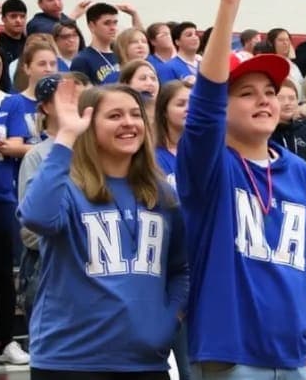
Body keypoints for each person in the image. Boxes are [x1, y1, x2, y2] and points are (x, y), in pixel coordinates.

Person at [178, 0, 306, 380]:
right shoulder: (210, 166)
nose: (264, 100)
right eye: (246, 93)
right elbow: (202, 112)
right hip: (233, 355)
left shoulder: (298, 171)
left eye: (270, 91)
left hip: (295, 353)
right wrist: (229, 5)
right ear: (223, 108)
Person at [18, 79, 187, 377]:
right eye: (114, 116)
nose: (129, 123)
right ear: (88, 127)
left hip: (145, 362)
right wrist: (66, 137)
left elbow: (181, 269)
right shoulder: (65, 185)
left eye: (136, 114)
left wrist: (168, 320)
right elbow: (36, 218)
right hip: (70, 360)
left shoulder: (162, 195)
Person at [154, 79, 191, 187]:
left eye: (194, 103)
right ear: (164, 111)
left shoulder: (208, 153)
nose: (189, 108)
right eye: (181, 104)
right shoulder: (153, 157)